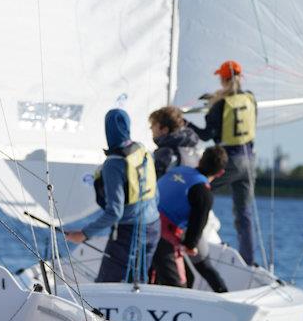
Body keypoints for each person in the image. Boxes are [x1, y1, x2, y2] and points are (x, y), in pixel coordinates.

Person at [65, 108, 160, 284]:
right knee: (138, 282)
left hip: (129, 233)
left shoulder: (113, 164)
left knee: (107, 284)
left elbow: (114, 212)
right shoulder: (143, 151)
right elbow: (155, 193)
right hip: (153, 226)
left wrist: (84, 234)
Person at [186, 60, 257, 265]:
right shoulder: (250, 98)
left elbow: (206, 135)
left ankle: (191, 244)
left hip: (229, 161)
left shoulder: (218, 105)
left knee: (198, 197)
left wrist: (186, 122)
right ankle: (248, 261)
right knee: (244, 214)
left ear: (223, 79)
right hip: (250, 162)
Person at [152, 146, 229, 293]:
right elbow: (197, 225)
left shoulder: (179, 170)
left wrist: (189, 244)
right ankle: (224, 294)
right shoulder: (203, 193)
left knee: (189, 277)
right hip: (161, 233)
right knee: (178, 285)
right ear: (220, 173)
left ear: (200, 160)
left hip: (146, 224)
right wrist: (190, 245)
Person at [149, 106, 201, 178]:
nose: (150, 128)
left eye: (153, 125)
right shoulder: (188, 143)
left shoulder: (165, 152)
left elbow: (154, 181)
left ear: (165, 130)